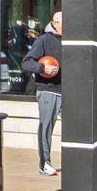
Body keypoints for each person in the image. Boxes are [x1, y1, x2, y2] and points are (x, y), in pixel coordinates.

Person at [23, 11, 63, 176]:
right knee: (46, 127)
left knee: (76, 127)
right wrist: (43, 68)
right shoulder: (44, 40)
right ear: (55, 23)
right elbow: (26, 63)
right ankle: (44, 163)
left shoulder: (72, 40)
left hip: (68, 90)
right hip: (48, 90)